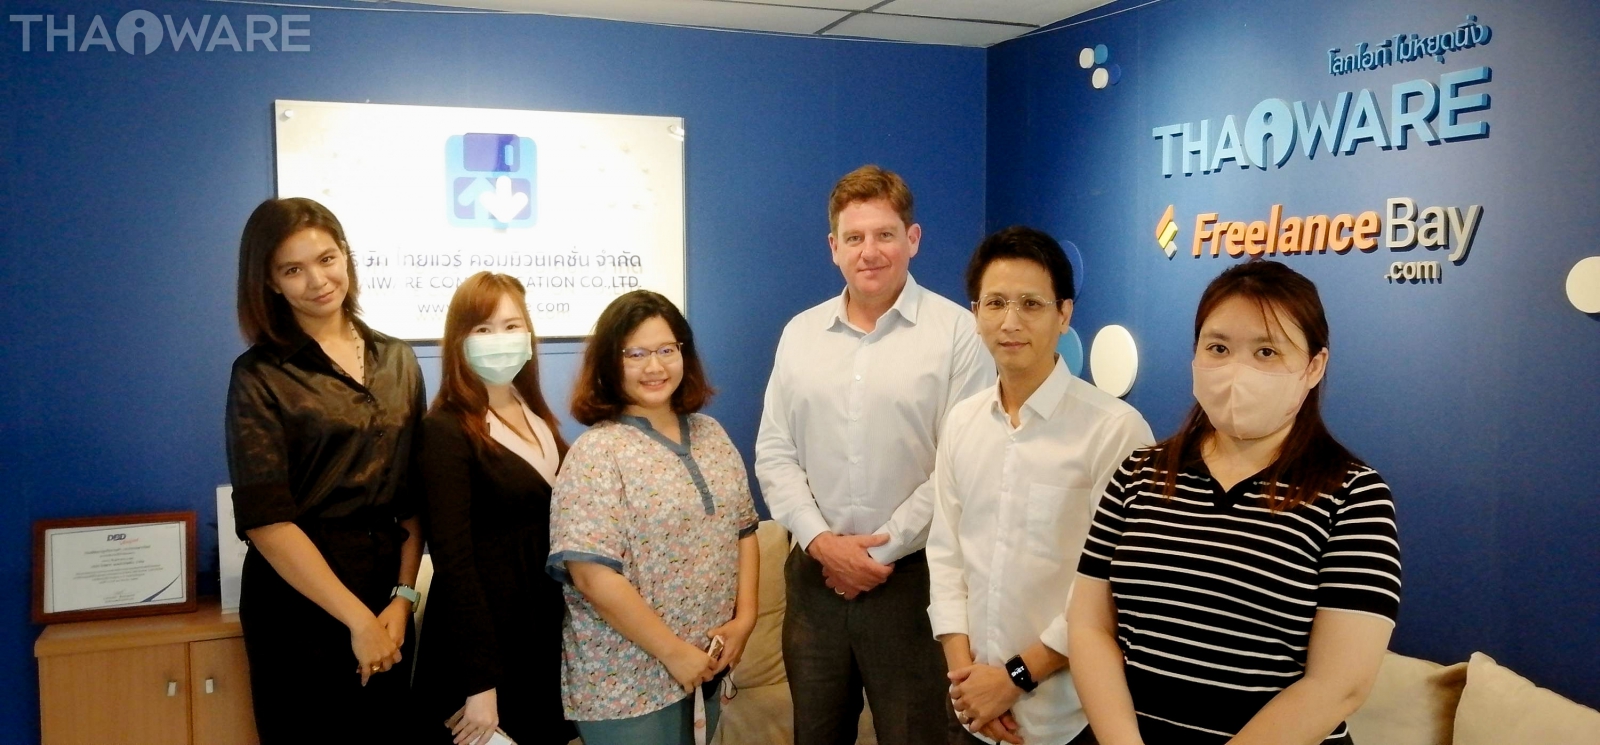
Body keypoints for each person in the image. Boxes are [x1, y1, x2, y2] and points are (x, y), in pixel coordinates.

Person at [1068, 260, 1402, 745]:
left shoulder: (1354, 495)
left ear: (1314, 366)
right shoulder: (1138, 473)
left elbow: (1339, 684)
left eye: (1267, 351)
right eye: (1218, 348)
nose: (1236, 371)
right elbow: (1089, 625)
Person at [756, 164, 995, 745]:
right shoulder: (800, 334)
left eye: (885, 234)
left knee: (918, 735)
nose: (870, 251)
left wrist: (877, 553)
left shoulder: (959, 334)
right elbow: (774, 451)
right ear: (833, 247)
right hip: (814, 580)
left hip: (914, 582)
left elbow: (960, 467)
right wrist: (822, 543)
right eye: (855, 237)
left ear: (912, 239)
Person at [929, 226, 1153, 745]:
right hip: (972, 706)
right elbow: (947, 556)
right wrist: (967, 682)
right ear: (975, 313)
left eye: (1031, 304)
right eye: (995, 303)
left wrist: (1013, 679)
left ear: (1064, 314)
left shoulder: (1115, 431)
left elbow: (1113, 585)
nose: (1011, 322)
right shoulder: (961, 422)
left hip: (1073, 715)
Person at [224, 197, 425, 743]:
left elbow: (412, 498)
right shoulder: (260, 375)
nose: (318, 280)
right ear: (270, 282)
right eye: (293, 269)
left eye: (327, 259)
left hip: (386, 595)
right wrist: (358, 621)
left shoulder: (398, 359)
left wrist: (402, 600)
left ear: (346, 257)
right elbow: (267, 519)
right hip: (299, 605)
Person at [546, 290, 760, 745]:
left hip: (705, 668)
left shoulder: (712, 435)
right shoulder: (596, 452)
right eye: (636, 354)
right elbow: (590, 576)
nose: (654, 366)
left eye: (666, 350)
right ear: (610, 362)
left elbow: (744, 530)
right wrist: (674, 652)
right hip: (626, 686)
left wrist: (745, 619)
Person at [413, 272, 575, 745]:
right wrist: (479, 685)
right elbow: (454, 564)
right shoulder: (445, 430)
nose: (499, 339)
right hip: (483, 649)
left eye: (511, 326)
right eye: (483, 329)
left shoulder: (535, 414)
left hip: (539, 627)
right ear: (459, 341)